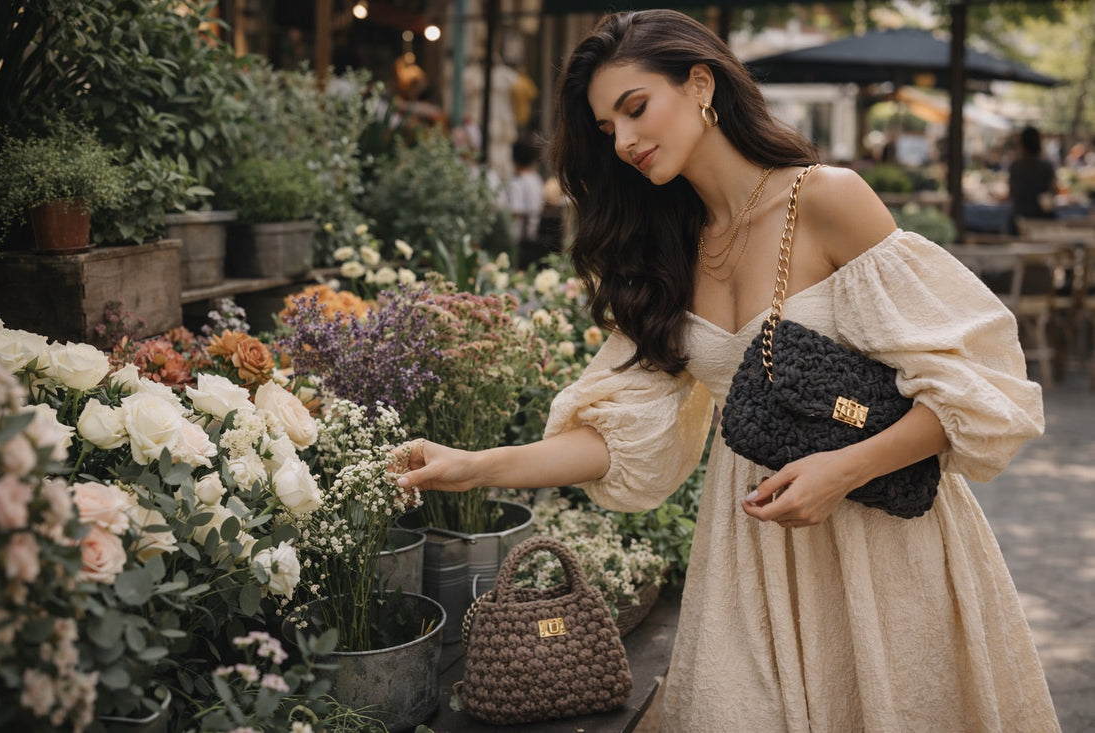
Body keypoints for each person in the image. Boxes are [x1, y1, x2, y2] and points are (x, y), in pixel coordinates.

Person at [396, 9, 1059, 732]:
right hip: (749, 555)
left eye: (635, 109)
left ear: (701, 84)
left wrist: (843, 468)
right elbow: (621, 433)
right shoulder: (661, 256)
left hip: (883, 547)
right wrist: (475, 465)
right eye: (606, 128)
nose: (623, 141)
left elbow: (972, 385)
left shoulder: (827, 200)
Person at [505, 138, 547, 267]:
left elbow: (516, 211)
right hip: (537, 234)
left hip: (520, 239)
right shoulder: (537, 180)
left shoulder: (516, 183)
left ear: (514, 160)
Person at [1009, 124, 1058, 226]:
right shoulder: (1046, 166)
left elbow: (1011, 193)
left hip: (1019, 218)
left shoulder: (1016, 166)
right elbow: (1053, 191)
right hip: (1043, 218)